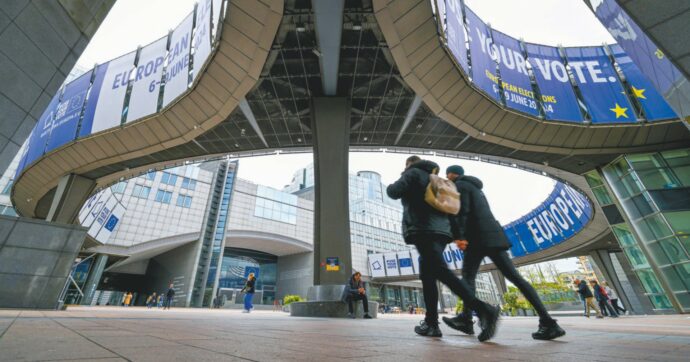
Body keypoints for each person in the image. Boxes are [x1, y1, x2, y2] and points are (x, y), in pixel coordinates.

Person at [441, 165, 565, 340]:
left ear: (453, 175)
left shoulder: (460, 186)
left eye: (448, 175)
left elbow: (462, 211)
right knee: (516, 278)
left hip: (477, 238)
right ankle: (548, 322)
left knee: (468, 278)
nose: (447, 177)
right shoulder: (476, 188)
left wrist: (459, 236)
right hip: (494, 237)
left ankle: (466, 318)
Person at [387, 156, 499, 341]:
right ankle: (431, 324)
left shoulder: (413, 173)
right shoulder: (437, 179)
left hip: (424, 230)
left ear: (409, 165)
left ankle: (484, 310)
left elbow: (393, 191)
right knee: (428, 277)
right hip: (441, 233)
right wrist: (456, 235)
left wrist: (405, 174)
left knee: (441, 271)